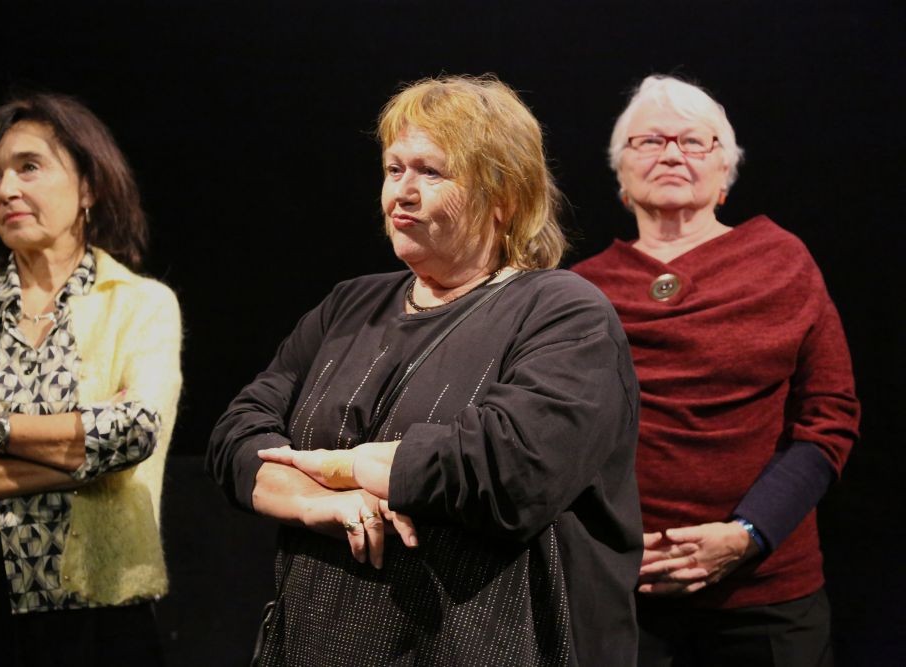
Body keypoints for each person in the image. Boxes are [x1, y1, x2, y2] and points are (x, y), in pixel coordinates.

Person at [208, 74, 642, 666]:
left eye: (431, 173)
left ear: (504, 199)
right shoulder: (349, 305)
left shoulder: (564, 312)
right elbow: (236, 435)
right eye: (394, 170)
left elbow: (510, 468)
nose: (402, 194)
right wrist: (318, 502)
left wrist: (341, 466)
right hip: (316, 642)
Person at [572, 75, 860, 667]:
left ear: (725, 171)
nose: (671, 154)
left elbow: (829, 417)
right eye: (649, 141)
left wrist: (749, 534)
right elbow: (558, 438)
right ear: (621, 174)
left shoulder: (783, 261)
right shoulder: (580, 288)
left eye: (693, 142)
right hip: (623, 592)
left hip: (766, 595)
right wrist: (608, 547)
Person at [0, 92, 182, 666]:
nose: (5, 189)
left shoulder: (141, 305)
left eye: (28, 166)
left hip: (96, 605)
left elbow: (134, 434)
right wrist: (83, 462)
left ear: (89, 187)